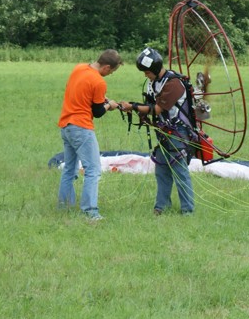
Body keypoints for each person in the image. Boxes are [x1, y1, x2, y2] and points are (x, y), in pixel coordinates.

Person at [118, 47, 195, 215]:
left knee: (179, 172)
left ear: (154, 69)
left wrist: (133, 106)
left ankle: (188, 210)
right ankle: (161, 207)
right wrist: (134, 108)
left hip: (178, 132)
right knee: (161, 170)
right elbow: (150, 106)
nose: (145, 75)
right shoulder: (153, 83)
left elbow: (158, 109)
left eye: (147, 72)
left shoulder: (173, 83)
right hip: (164, 132)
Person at [58, 49, 122, 220]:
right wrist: (110, 105)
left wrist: (104, 99)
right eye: (112, 72)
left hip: (66, 125)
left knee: (69, 168)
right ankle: (90, 211)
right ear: (107, 67)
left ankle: (64, 206)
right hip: (81, 128)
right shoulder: (99, 82)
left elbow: (85, 92)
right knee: (93, 169)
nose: (110, 75)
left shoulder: (79, 68)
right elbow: (98, 112)